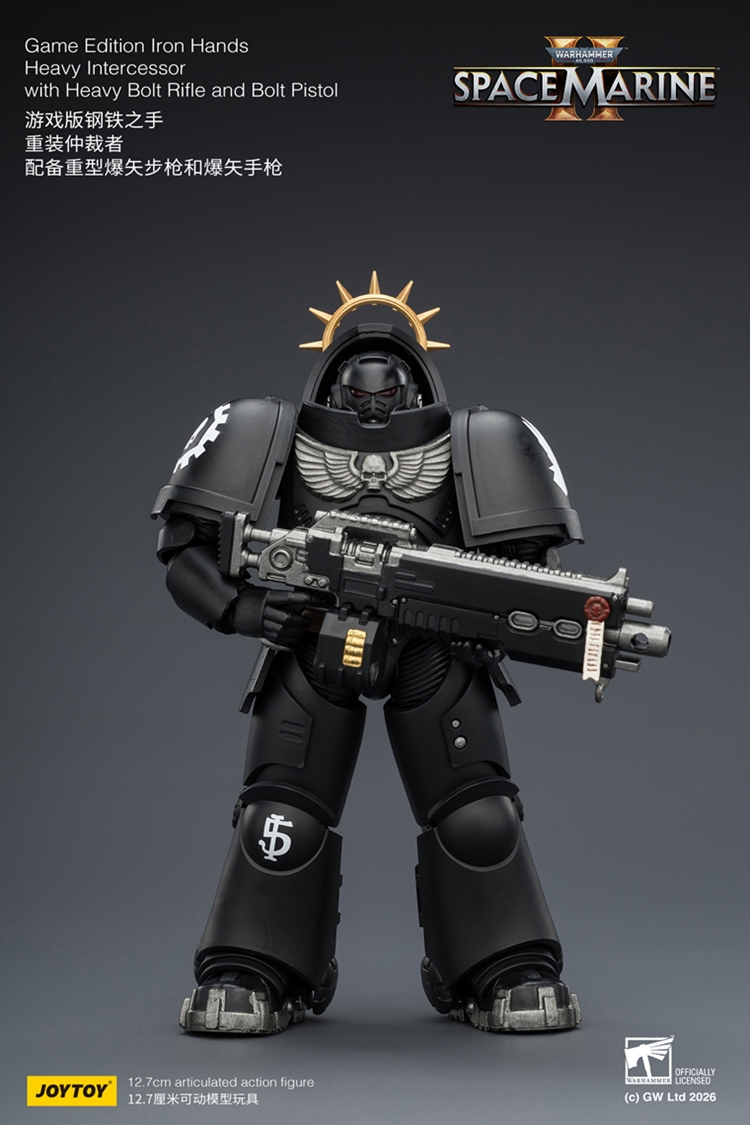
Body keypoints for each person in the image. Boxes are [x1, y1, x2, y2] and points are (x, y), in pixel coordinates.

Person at [152, 275, 583, 1034]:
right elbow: (186, 550)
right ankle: (253, 965)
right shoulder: (264, 429)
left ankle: (504, 963)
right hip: (310, 639)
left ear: (413, 385)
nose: (374, 406)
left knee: (478, 816)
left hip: (433, 646)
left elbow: (532, 571)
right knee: (280, 815)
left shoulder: (480, 439)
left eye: (388, 393)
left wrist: (486, 619)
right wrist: (249, 608)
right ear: (333, 384)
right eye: (360, 392)